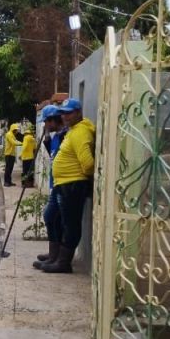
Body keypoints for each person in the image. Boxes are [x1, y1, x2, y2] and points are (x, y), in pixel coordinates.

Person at [43, 99, 95, 274]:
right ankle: (55, 257)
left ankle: (63, 262)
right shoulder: (73, 130)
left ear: (78, 112)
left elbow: (88, 164)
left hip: (72, 185)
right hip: (63, 184)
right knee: (54, 218)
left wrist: (80, 179)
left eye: (69, 113)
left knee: (70, 224)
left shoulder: (80, 132)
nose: (65, 116)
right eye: (63, 113)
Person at [33, 106, 67, 270]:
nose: (45, 125)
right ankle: (53, 254)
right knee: (52, 218)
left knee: (54, 218)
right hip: (56, 183)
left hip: (64, 184)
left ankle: (57, 257)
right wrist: (46, 135)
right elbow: (52, 154)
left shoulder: (65, 136)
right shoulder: (55, 137)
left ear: (53, 120)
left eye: (46, 122)